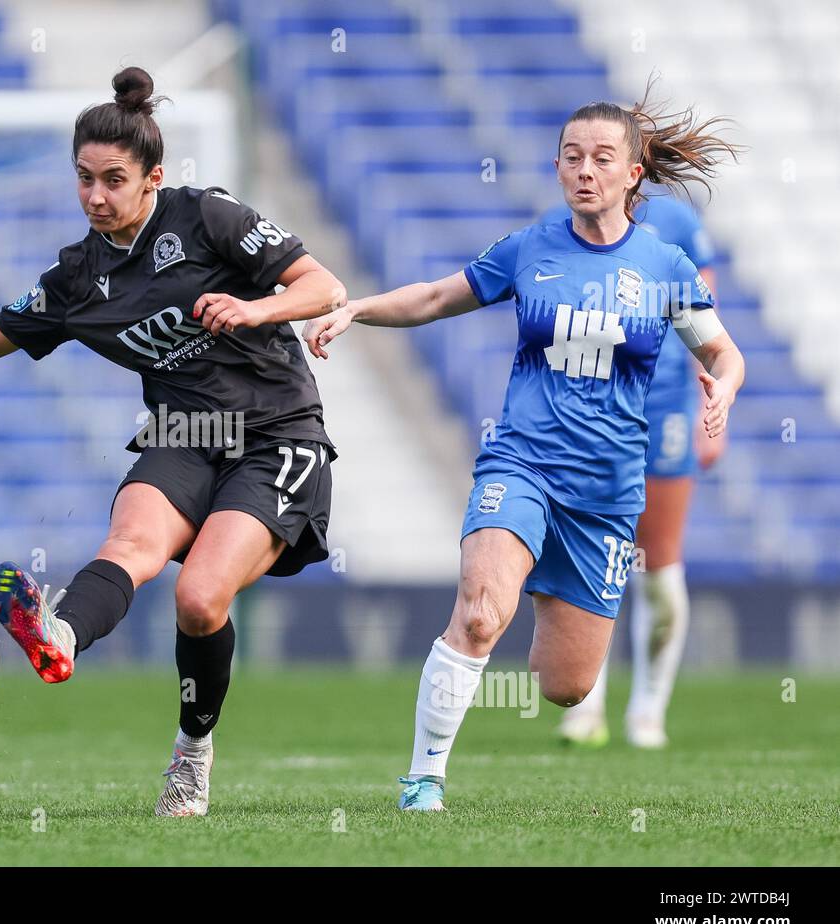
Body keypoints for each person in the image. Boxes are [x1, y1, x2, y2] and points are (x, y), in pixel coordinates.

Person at [0, 67, 347, 816]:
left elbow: (323, 286)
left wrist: (250, 309)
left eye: (113, 179)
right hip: (183, 432)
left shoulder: (207, 217)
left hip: (275, 435)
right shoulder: (78, 276)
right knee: (131, 545)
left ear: (152, 179)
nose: (95, 196)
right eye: (84, 179)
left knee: (201, 598)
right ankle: (62, 635)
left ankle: (191, 754)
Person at [301, 85, 744, 811]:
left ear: (634, 173)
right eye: (572, 157)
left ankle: (537, 575)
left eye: (603, 158)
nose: (585, 170)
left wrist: (722, 387)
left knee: (566, 686)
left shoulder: (665, 267)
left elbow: (723, 352)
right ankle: (423, 781)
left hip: (605, 493)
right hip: (522, 463)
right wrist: (356, 310)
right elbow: (437, 297)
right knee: (478, 614)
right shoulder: (530, 248)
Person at [541, 192, 723, 749]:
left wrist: (712, 411)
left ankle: (648, 710)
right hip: (592, 409)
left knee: (659, 566)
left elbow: (709, 319)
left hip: (665, 404)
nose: (593, 167)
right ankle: (584, 702)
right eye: (580, 155)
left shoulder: (676, 220)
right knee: (590, 554)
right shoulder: (560, 224)